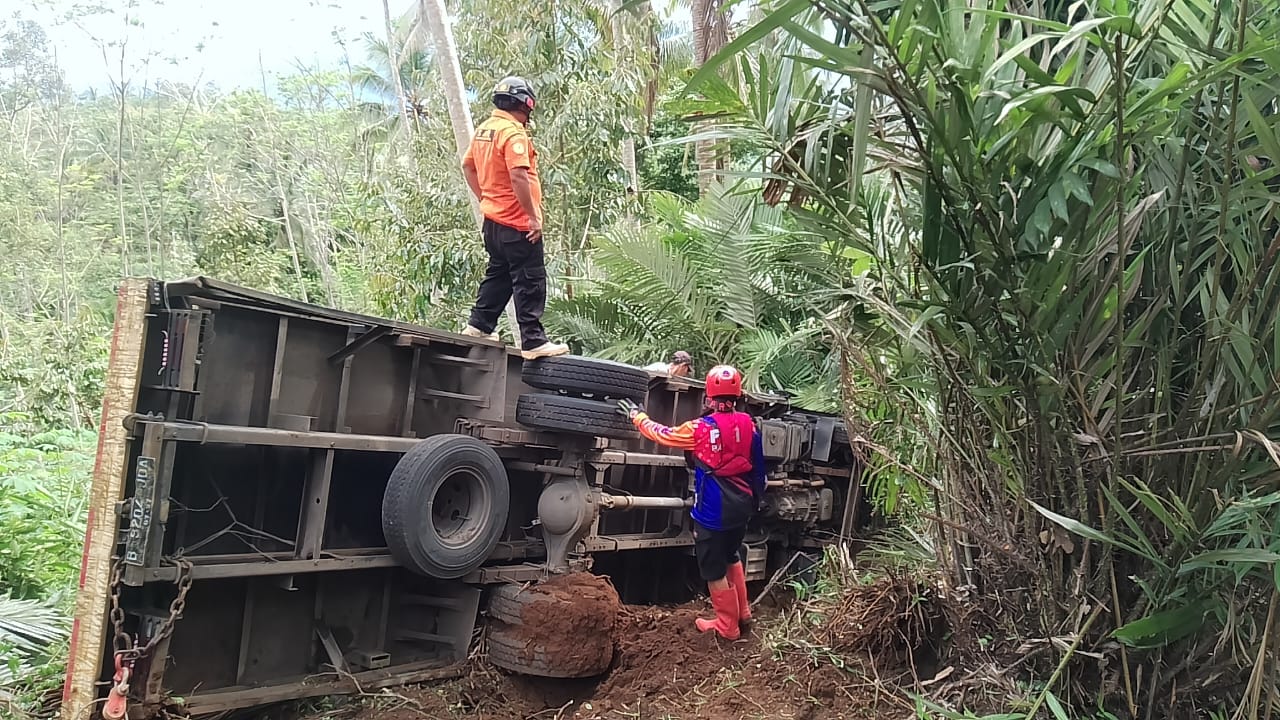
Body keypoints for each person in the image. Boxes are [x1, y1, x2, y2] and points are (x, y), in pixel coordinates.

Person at [616, 365, 765, 640]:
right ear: (737, 394)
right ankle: (743, 612)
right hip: (742, 506)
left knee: (713, 569)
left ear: (709, 397)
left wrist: (637, 417)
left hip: (713, 511)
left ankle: (727, 626)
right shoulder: (750, 425)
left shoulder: (699, 429)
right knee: (732, 555)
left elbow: (662, 434)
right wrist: (755, 500)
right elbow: (759, 470)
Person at [460, 76, 569, 360]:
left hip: (493, 223)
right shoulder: (512, 132)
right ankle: (533, 341)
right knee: (529, 279)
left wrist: (485, 198)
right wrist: (532, 217)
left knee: (500, 274)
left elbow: (467, 166)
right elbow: (519, 174)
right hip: (517, 223)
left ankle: (479, 325)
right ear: (525, 104)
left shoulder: (485, 130)